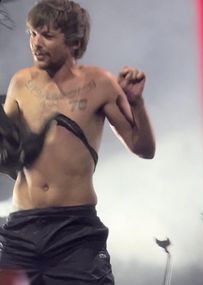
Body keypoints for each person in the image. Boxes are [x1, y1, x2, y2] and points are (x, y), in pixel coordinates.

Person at [0, 0, 155, 284]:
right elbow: (5, 150)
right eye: (32, 34)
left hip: (75, 233)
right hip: (21, 228)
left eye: (47, 35)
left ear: (74, 41)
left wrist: (137, 103)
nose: (36, 43)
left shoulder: (100, 84)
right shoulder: (20, 83)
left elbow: (143, 149)